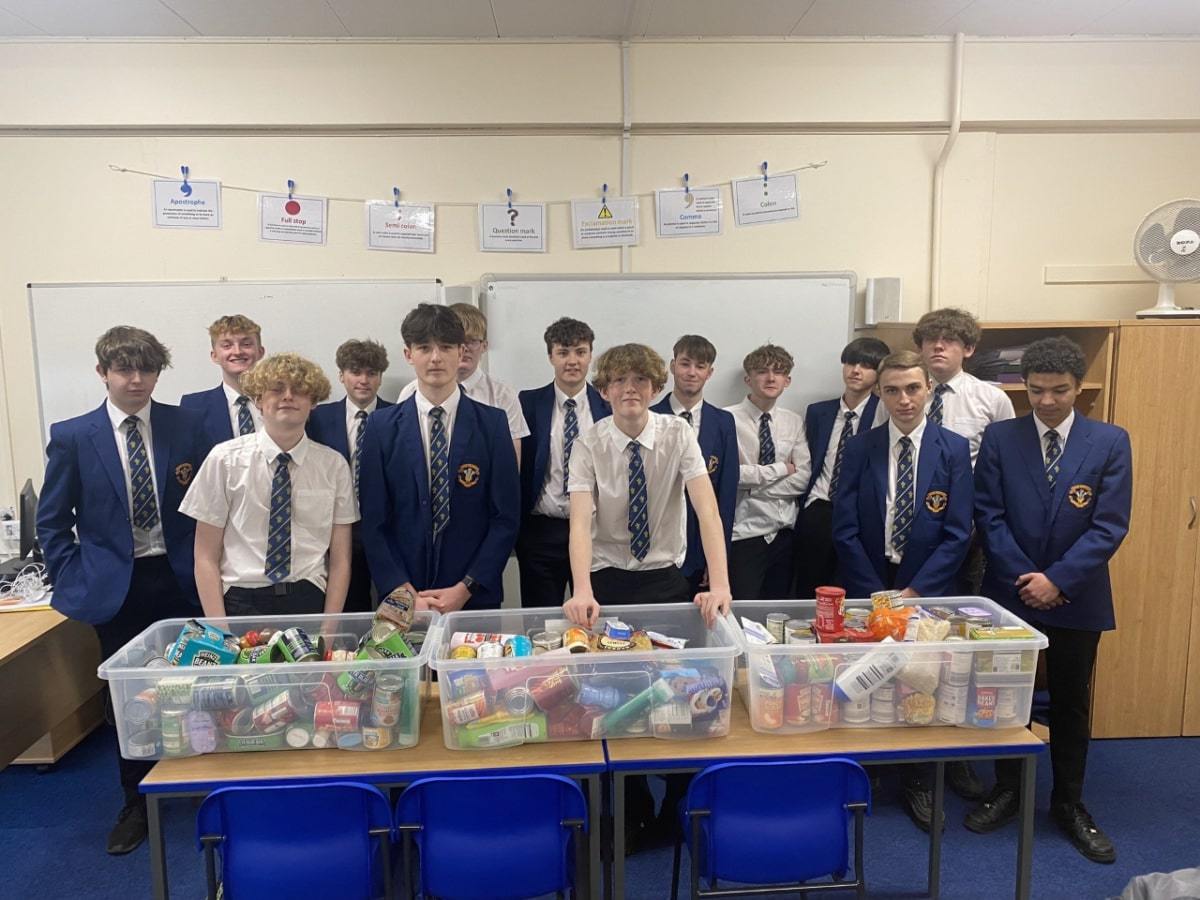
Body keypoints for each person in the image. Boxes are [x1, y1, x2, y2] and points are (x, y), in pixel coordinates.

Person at [37, 326, 210, 855]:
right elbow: (51, 522)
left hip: (183, 579)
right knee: (131, 698)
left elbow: (213, 506)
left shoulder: (188, 425)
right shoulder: (73, 434)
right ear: (103, 373)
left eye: (147, 370)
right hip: (117, 587)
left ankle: (204, 786)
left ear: (159, 373)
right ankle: (135, 800)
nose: (136, 380)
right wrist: (77, 577)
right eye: (124, 370)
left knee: (200, 685)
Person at [965, 337, 1131, 865]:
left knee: (1070, 701)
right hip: (1010, 593)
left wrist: (1057, 580)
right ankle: (1008, 789)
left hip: (1076, 596)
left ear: (1078, 389)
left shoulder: (1108, 441)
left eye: (1059, 391)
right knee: (1006, 699)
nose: (1047, 401)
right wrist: (1025, 579)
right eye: (1036, 390)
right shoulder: (1000, 438)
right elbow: (988, 516)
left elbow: (1109, 524)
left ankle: (1069, 801)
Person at [562, 342, 732, 852]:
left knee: (681, 696)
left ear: (655, 388)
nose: (630, 389)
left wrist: (718, 584)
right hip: (608, 580)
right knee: (617, 703)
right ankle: (632, 809)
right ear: (604, 389)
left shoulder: (679, 433)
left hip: (664, 578)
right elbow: (579, 521)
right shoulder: (589, 441)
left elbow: (708, 512)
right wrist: (583, 589)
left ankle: (674, 809)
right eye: (618, 381)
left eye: (640, 380)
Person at [832, 349, 974, 833]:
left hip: (925, 586)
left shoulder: (953, 448)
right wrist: (878, 597)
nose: (904, 399)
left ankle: (917, 778)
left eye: (913, 388)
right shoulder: (860, 447)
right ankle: (863, 772)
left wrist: (913, 593)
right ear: (880, 393)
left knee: (921, 683)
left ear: (928, 390)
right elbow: (843, 526)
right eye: (892, 390)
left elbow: (959, 531)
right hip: (870, 582)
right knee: (867, 678)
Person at [913, 307, 1015, 802]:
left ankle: (954, 756)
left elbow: (1002, 469)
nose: (938, 347)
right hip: (909, 536)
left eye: (949, 341)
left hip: (966, 538)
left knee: (957, 647)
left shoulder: (990, 399)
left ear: (967, 349)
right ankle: (904, 750)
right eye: (930, 339)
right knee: (906, 644)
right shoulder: (902, 394)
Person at [359, 304, 519, 614]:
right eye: (424, 347)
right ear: (408, 354)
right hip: (403, 595)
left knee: (470, 665)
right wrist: (403, 592)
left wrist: (466, 587)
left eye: (445, 347)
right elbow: (375, 521)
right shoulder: (380, 427)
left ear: (461, 353)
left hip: (472, 596)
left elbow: (505, 518)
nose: (435, 357)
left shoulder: (493, 424)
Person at [181, 353, 356, 618]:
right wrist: (220, 632)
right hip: (240, 598)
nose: (288, 396)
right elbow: (205, 555)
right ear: (259, 401)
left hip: (308, 596)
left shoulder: (334, 466)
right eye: (276, 389)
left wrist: (328, 630)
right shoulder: (224, 460)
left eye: (299, 390)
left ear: (313, 403)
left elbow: (341, 560)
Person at [516, 317, 611, 607]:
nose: (572, 361)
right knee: (542, 623)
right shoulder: (528, 403)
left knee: (596, 620)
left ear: (591, 355)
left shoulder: (608, 406)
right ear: (550, 356)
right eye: (563, 352)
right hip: (542, 532)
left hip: (598, 530)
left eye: (580, 352)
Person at [795, 336, 889, 597]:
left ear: (879, 373)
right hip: (819, 507)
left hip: (860, 512)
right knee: (808, 587)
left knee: (851, 588)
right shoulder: (817, 412)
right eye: (851, 362)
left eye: (867, 365)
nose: (856, 370)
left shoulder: (885, 412)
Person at [306, 339, 394, 612]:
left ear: (380, 377)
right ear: (341, 375)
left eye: (372, 373)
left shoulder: (398, 416)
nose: (364, 380)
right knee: (348, 604)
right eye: (356, 372)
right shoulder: (317, 418)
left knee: (392, 605)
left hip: (388, 527)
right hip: (338, 527)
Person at [649, 334, 738, 596]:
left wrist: (718, 560)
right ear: (672, 365)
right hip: (657, 542)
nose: (691, 372)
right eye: (685, 364)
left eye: (700, 366)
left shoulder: (723, 423)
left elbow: (726, 494)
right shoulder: (650, 418)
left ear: (710, 373)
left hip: (701, 541)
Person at [724, 343, 812, 599]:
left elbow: (803, 478)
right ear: (748, 378)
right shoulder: (725, 419)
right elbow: (730, 477)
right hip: (742, 532)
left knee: (778, 615)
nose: (771, 378)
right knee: (740, 611)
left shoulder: (793, 421)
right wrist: (781, 469)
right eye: (762, 371)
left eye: (779, 372)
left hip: (784, 532)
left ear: (788, 380)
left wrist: (753, 486)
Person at [400, 302, 530, 466]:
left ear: (484, 346)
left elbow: (510, 465)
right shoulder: (411, 392)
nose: (466, 348)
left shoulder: (502, 395)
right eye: (459, 341)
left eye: (472, 341)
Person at [180, 314, 267, 447]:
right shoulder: (193, 407)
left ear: (260, 352)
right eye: (227, 346)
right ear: (214, 356)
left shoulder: (286, 402)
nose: (237, 351)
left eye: (246, 344)